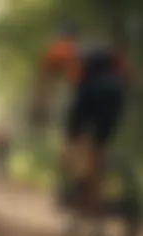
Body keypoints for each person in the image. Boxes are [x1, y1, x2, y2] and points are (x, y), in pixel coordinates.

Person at [31, 22, 131, 212]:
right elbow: (128, 73)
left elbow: (45, 83)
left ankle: (80, 192)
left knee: (72, 140)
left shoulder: (61, 48)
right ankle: (96, 194)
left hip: (89, 92)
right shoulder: (102, 49)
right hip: (116, 93)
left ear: (62, 36)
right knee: (98, 146)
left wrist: (39, 110)